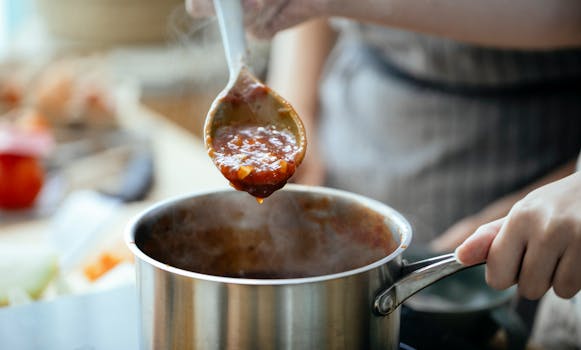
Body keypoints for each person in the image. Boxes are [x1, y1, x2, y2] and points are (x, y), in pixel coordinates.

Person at [187, 0, 581, 345]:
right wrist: (294, 102)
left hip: (532, 157)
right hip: (360, 112)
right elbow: (311, 16)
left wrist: (561, 191)